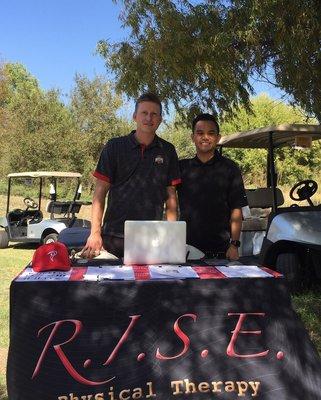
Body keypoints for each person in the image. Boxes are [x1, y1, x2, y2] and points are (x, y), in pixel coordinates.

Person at [82, 93, 181, 258]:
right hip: (113, 236)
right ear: (135, 116)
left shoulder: (168, 150)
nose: (149, 118)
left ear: (160, 119)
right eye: (144, 113)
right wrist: (95, 233)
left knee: (149, 284)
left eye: (154, 114)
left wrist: (172, 235)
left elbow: (171, 197)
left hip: (151, 238)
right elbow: (100, 193)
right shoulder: (114, 147)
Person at [177, 113, 247, 260]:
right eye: (200, 133)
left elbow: (236, 209)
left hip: (221, 251)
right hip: (186, 250)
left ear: (218, 137)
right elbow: (168, 200)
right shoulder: (181, 168)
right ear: (192, 137)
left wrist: (234, 245)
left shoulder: (230, 168)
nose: (205, 137)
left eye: (211, 133)